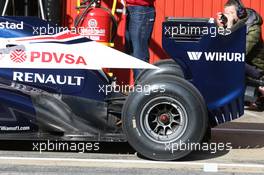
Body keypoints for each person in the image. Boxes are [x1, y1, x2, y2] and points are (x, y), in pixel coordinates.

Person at [216, 0, 264, 110]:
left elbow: (239, 52)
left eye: (231, 13)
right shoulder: (236, 24)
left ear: (240, 12)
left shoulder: (253, 28)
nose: (229, 16)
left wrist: (229, 26)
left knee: (228, 61)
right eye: (226, 13)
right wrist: (220, 27)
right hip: (243, 63)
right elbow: (220, 47)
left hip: (256, 68)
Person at [125, 0, 156, 80]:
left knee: (139, 52)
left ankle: (142, 86)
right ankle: (139, 84)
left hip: (141, 9)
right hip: (132, 8)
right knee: (131, 51)